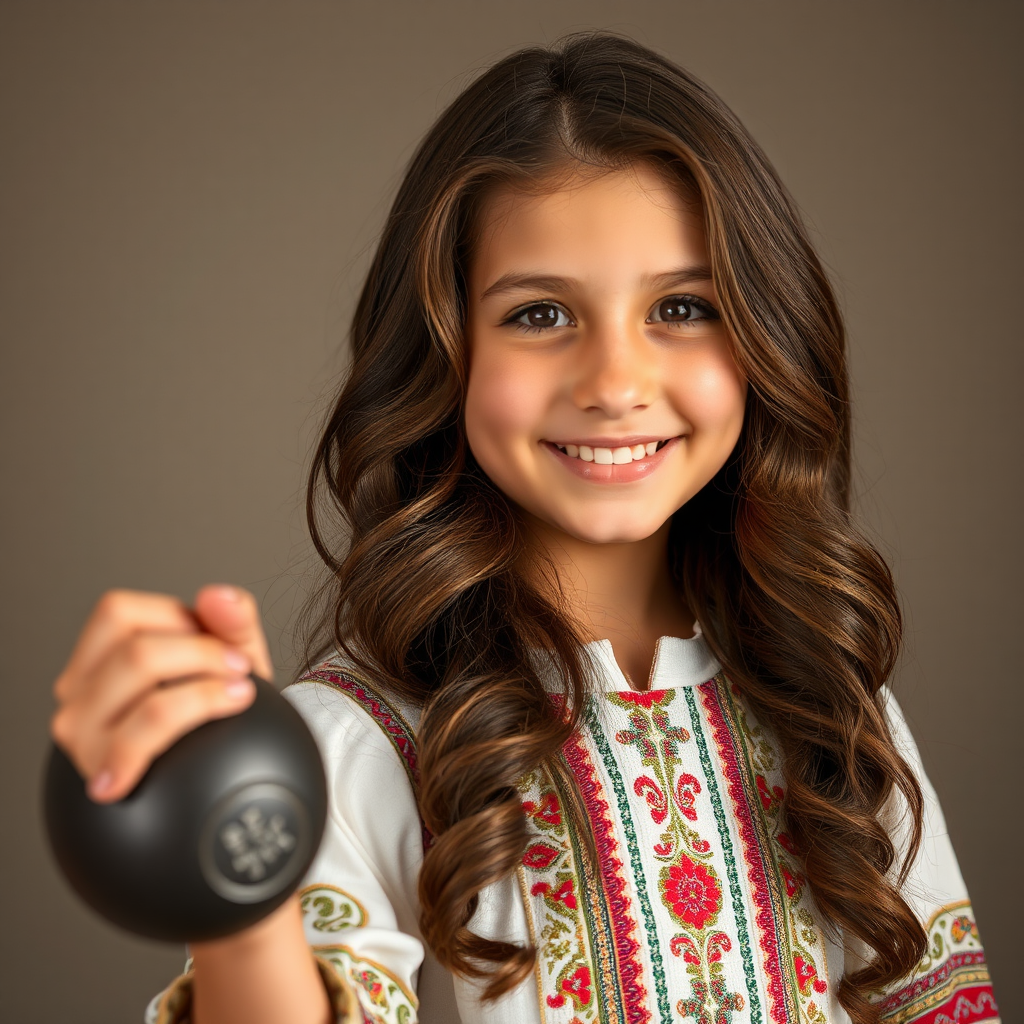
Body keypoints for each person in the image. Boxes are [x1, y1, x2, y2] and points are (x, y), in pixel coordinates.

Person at [49, 32, 999, 1024]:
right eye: (540, 315)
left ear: (765, 332)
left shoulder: (835, 708)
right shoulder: (361, 739)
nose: (615, 384)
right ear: (441, 350)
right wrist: (230, 883)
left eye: (682, 305)